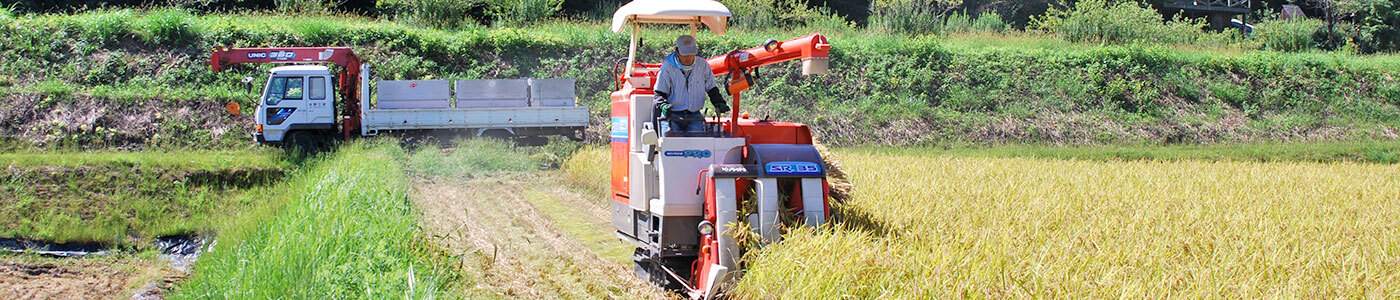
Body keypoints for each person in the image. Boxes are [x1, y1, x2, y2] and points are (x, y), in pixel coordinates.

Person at [653, 35, 730, 133]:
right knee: (670, 142)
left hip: (694, 115)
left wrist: (719, 102)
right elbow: (659, 94)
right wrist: (663, 105)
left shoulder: (703, 66)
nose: (688, 57)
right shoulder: (667, 68)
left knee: (697, 144)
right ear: (677, 51)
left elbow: (712, 89)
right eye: (685, 54)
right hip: (672, 115)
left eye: (691, 53)